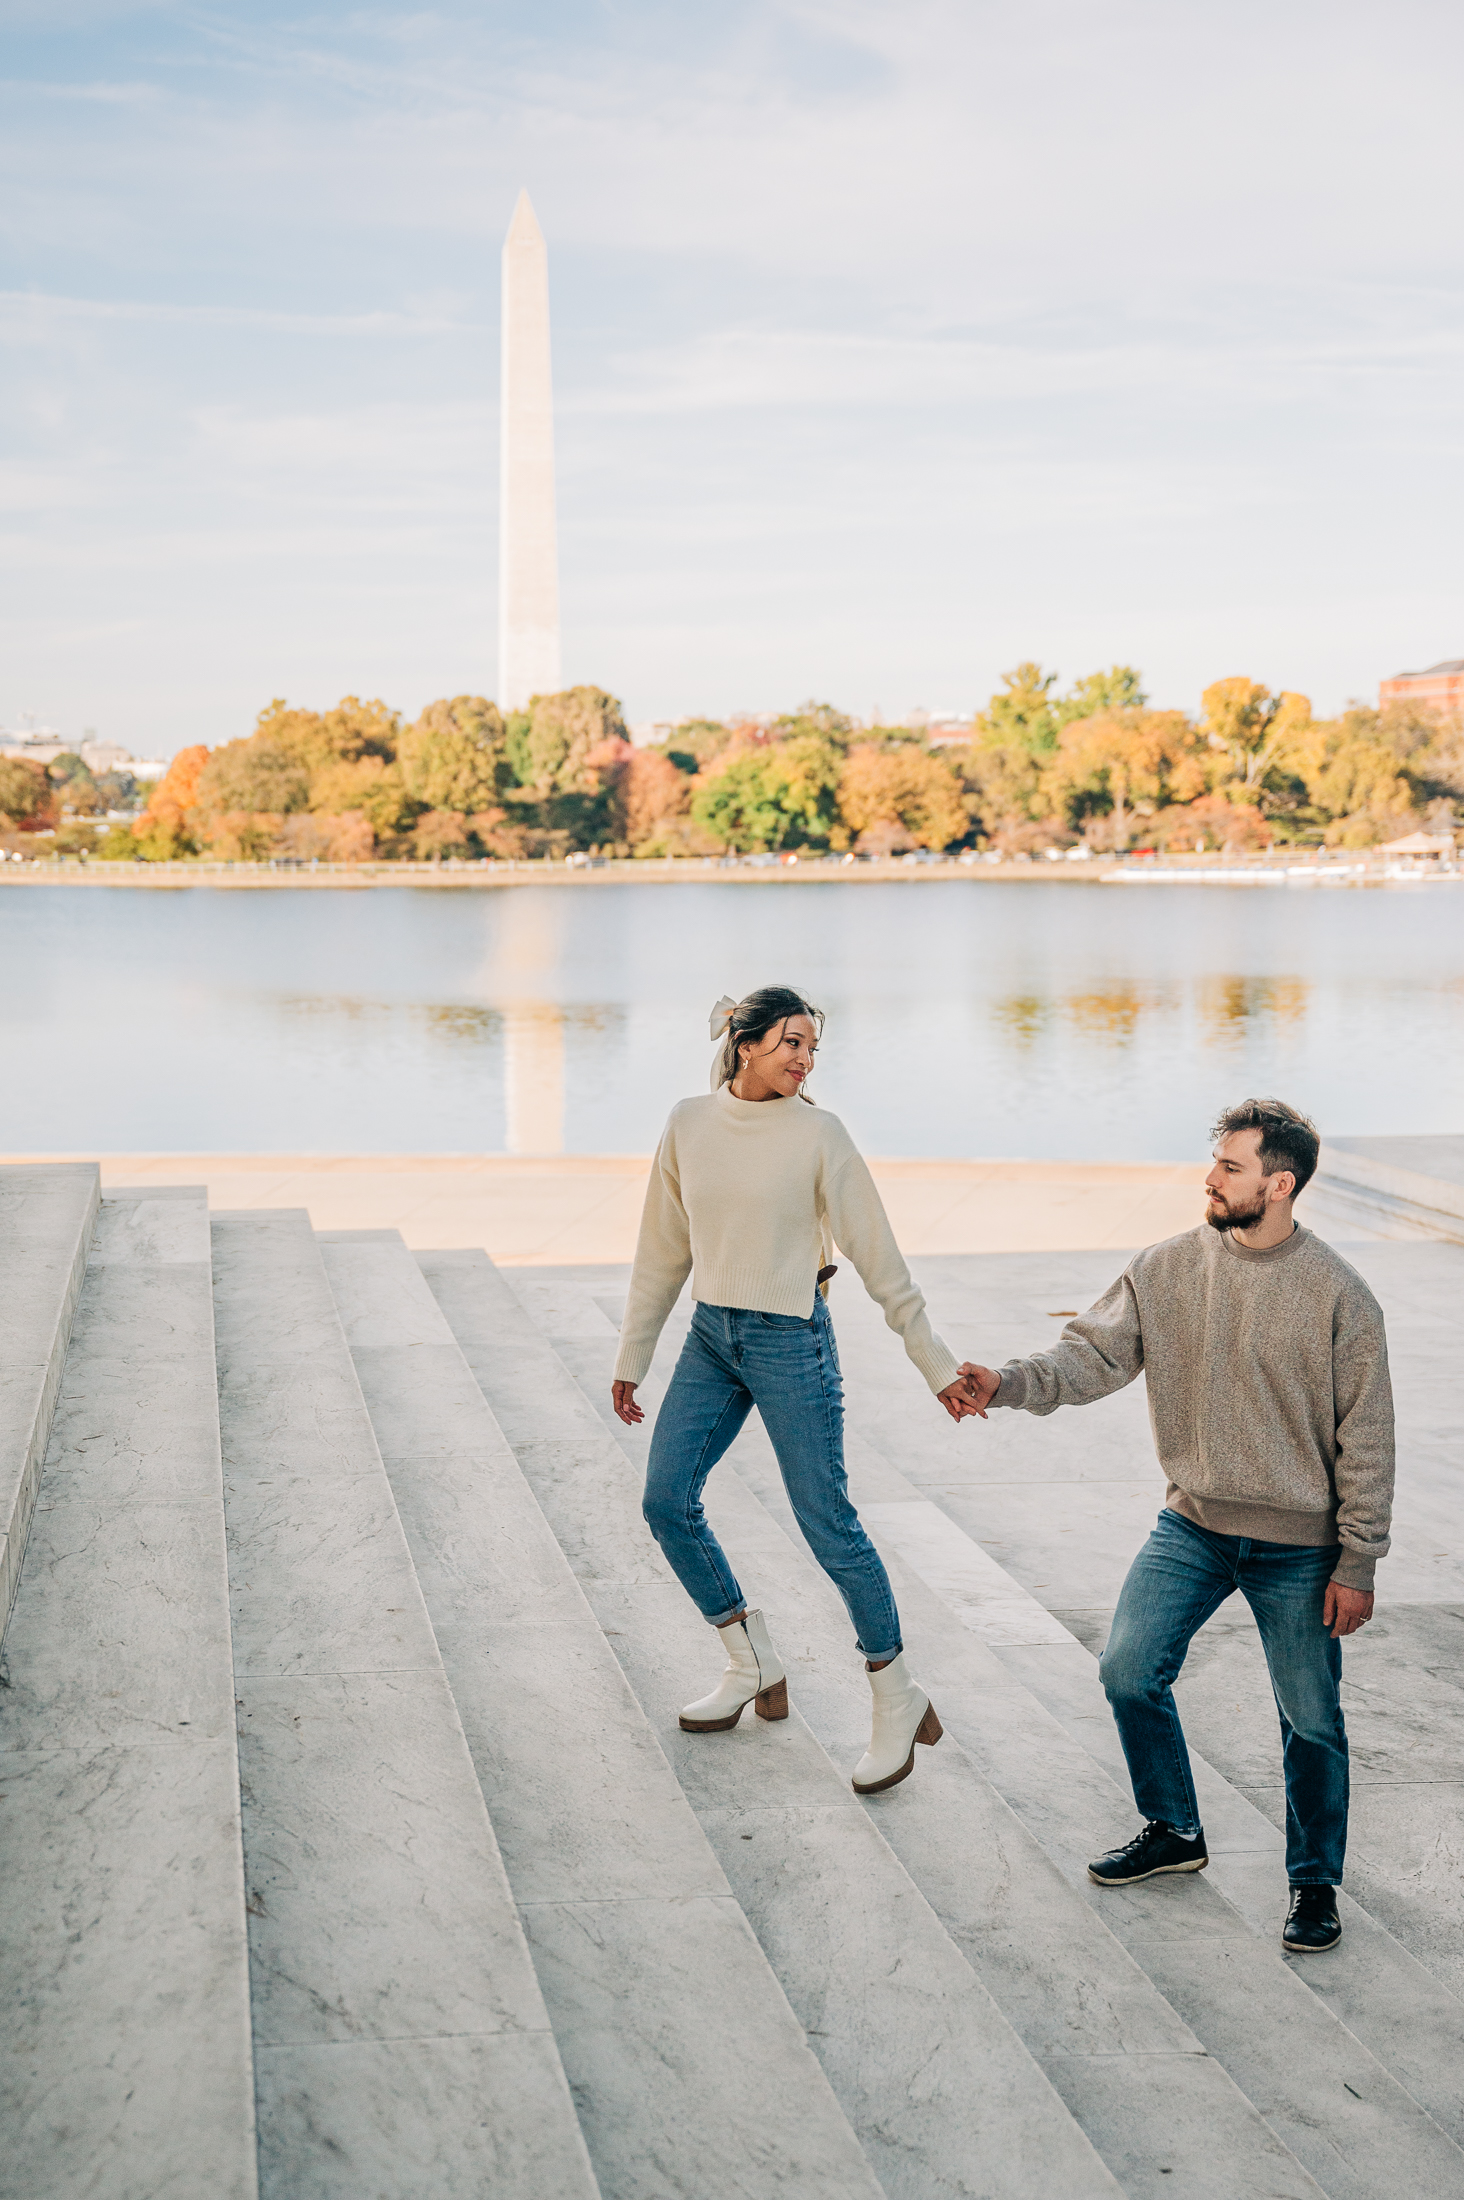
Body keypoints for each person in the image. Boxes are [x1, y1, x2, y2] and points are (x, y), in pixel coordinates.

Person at [958, 1098, 1394, 1953]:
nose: (1210, 1178)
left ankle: (1313, 1885)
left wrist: (1359, 1561)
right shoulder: (1165, 1269)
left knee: (1311, 1718)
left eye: (1230, 1167)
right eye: (1216, 1163)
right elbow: (1087, 1357)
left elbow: (1368, 1437)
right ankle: (1174, 1830)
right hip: (1192, 1524)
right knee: (1128, 1669)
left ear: (1280, 1182)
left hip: (1301, 1546)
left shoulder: (1341, 1294)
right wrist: (1003, 1383)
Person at [612, 984, 982, 1793]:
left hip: (790, 1339)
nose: (804, 1059)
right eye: (790, 1043)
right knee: (666, 1500)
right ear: (743, 1043)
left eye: (812, 1047)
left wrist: (936, 1366)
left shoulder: (820, 1135)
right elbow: (663, 1247)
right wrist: (632, 1353)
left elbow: (882, 1260)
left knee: (829, 1525)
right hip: (714, 1335)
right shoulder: (688, 1122)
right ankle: (751, 1661)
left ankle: (896, 1696)